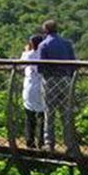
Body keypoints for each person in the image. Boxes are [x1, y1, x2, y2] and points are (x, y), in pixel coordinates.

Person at [37, 20, 76, 151]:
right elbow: (73, 63)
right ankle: (69, 143)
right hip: (66, 79)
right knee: (66, 112)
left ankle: (49, 143)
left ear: (45, 30)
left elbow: (40, 68)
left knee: (49, 111)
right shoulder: (67, 44)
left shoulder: (43, 45)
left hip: (50, 80)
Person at [20, 34, 45, 148]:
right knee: (43, 115)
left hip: (30, 87)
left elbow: (21, 64)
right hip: (43, 85)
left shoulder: (29, 54)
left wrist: (26, 51)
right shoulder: (45, 54)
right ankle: (42, 141)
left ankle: (29, 141)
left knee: (29, 115)